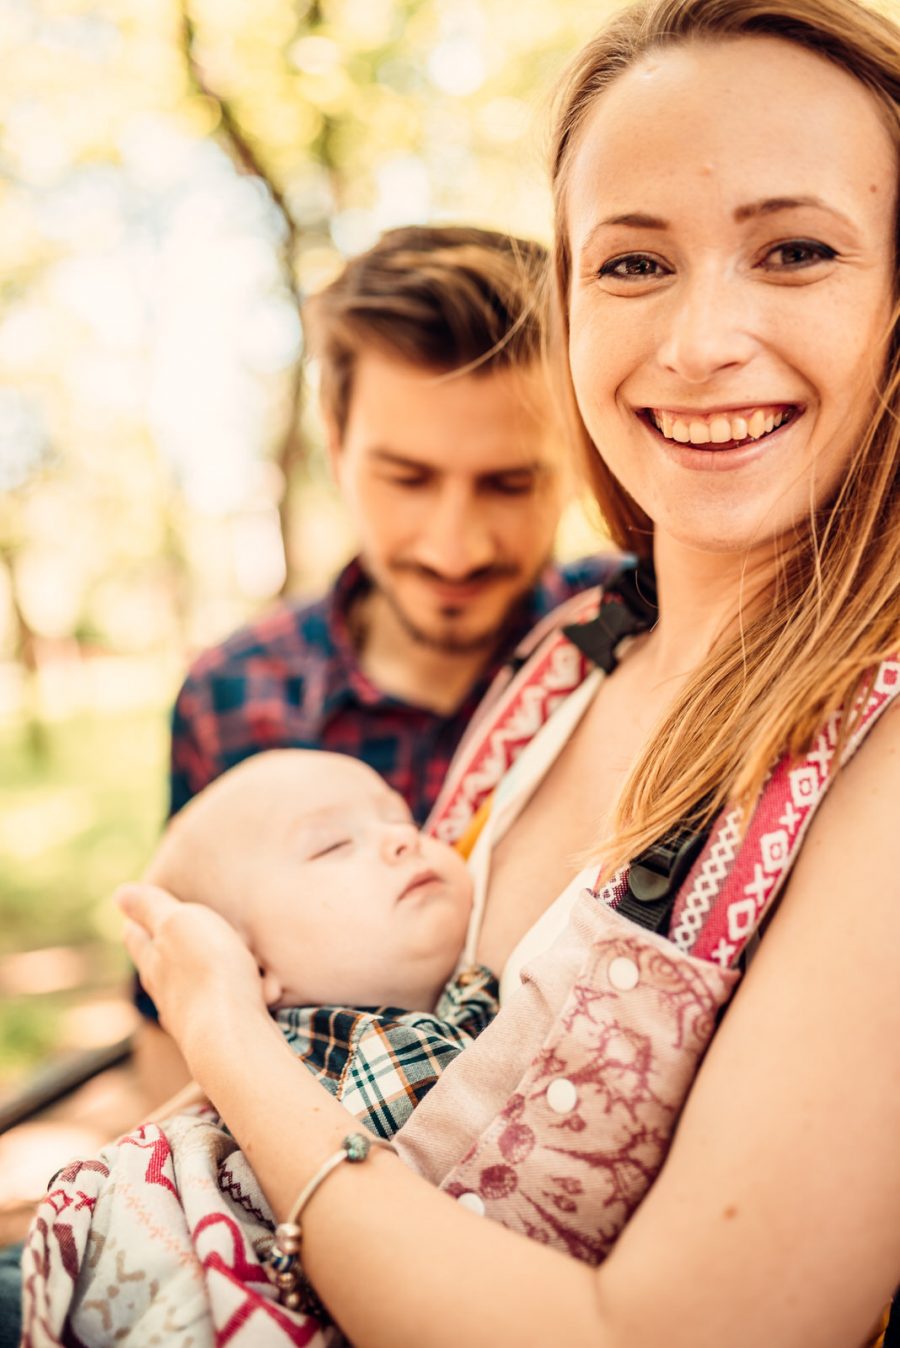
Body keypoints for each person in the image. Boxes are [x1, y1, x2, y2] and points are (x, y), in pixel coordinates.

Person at [27, 0, 900, 1345]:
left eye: (795, 250)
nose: (696, 341)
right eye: (630, 264)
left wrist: (226, 1039)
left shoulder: (873, 757)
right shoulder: (573, 653)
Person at [21, 751, 499, 1344]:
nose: (403, 839)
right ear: (249, 964)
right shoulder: (366, 1052)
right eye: (331, 846)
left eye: (405, 819)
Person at [168, 224, 610, 827]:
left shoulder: (650, 638)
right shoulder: (230, 699)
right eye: (407, 479)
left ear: (582, 462)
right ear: (335, 445)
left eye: (511, 485)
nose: (456, 549)